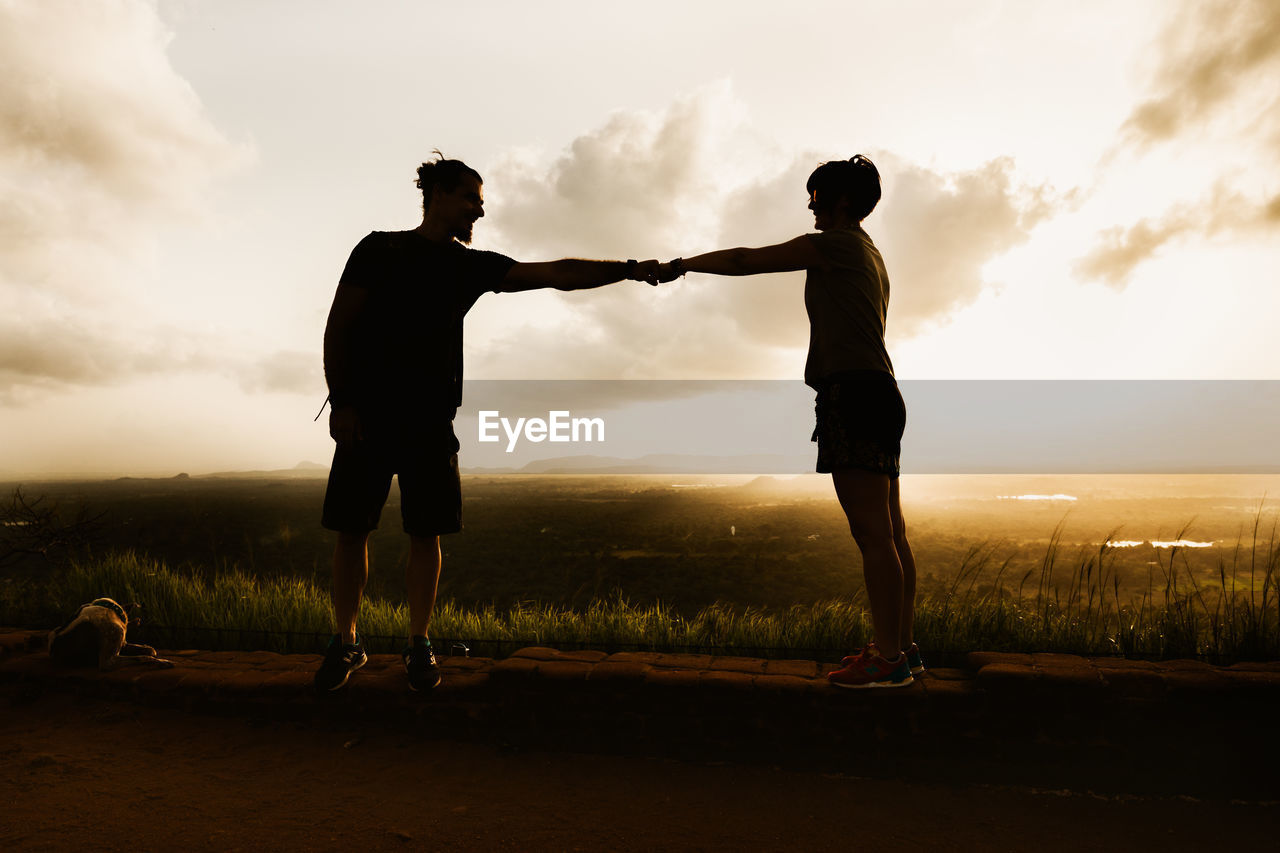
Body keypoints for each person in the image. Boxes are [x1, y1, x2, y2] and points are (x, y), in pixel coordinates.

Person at [315, 154, 660, 693]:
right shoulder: (378, 249)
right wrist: (343, 402)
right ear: (440, 197)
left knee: (424, 532)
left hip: (430, 419)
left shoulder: (466, 265)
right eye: (472, 197)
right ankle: (346, 641)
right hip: (370, 416)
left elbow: (558, 274)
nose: (480, 208)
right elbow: (338, 327)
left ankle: (418, 643)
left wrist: (629, 269)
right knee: (351, 530)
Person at [655, 155, 921, 688]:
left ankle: (889, 661)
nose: (810, 205)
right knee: (890, 531)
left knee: (873, 534)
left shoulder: (836, 245)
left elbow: (744, 260)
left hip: (854, 393)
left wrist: (683, 264)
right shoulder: (870, 252)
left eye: (816, 195)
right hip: (879, 392)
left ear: (841, 200)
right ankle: (901, 648)